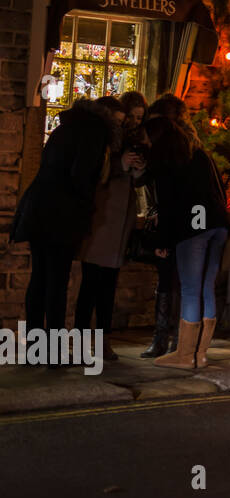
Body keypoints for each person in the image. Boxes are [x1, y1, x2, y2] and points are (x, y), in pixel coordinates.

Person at [11, 97, 117, 367]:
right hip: (62, 212)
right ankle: (55, 353)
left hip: (38, 206)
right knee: (57, 283)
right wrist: (89, 205)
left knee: (40, 279)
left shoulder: (66, 126)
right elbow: (81, 174)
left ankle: (35, 350)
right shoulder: (95, 131)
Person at [144, 116, 230, 369]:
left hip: (193, 229)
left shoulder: (166, 163)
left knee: (190, 290)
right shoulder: (200, 156)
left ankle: (185, 355)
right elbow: (219, 191)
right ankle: (200, 354)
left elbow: (168, 207)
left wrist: (162, 241)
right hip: (217, 224)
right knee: (206, 288)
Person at [73, 97, 147, 362]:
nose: (135, 122)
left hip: (120, 226)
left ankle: (103, 343)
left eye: (140, 117)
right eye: (132, 117)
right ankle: (81, 343)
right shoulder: (102, 137)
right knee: (90, 286)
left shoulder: (135, 139)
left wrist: (138, 168)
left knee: (108, 289)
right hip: (101, 222)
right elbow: (97, 173)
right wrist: (121, 164)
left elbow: (136, 181)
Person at [137, 94, 191, 358]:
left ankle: (174, 340)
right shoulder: (159, 152)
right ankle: (163, 338)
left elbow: (174, 199)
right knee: (167, 281)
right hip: (169, 222)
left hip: (180, 226)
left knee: (176, 282)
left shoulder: (181, 152)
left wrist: (164, 239)